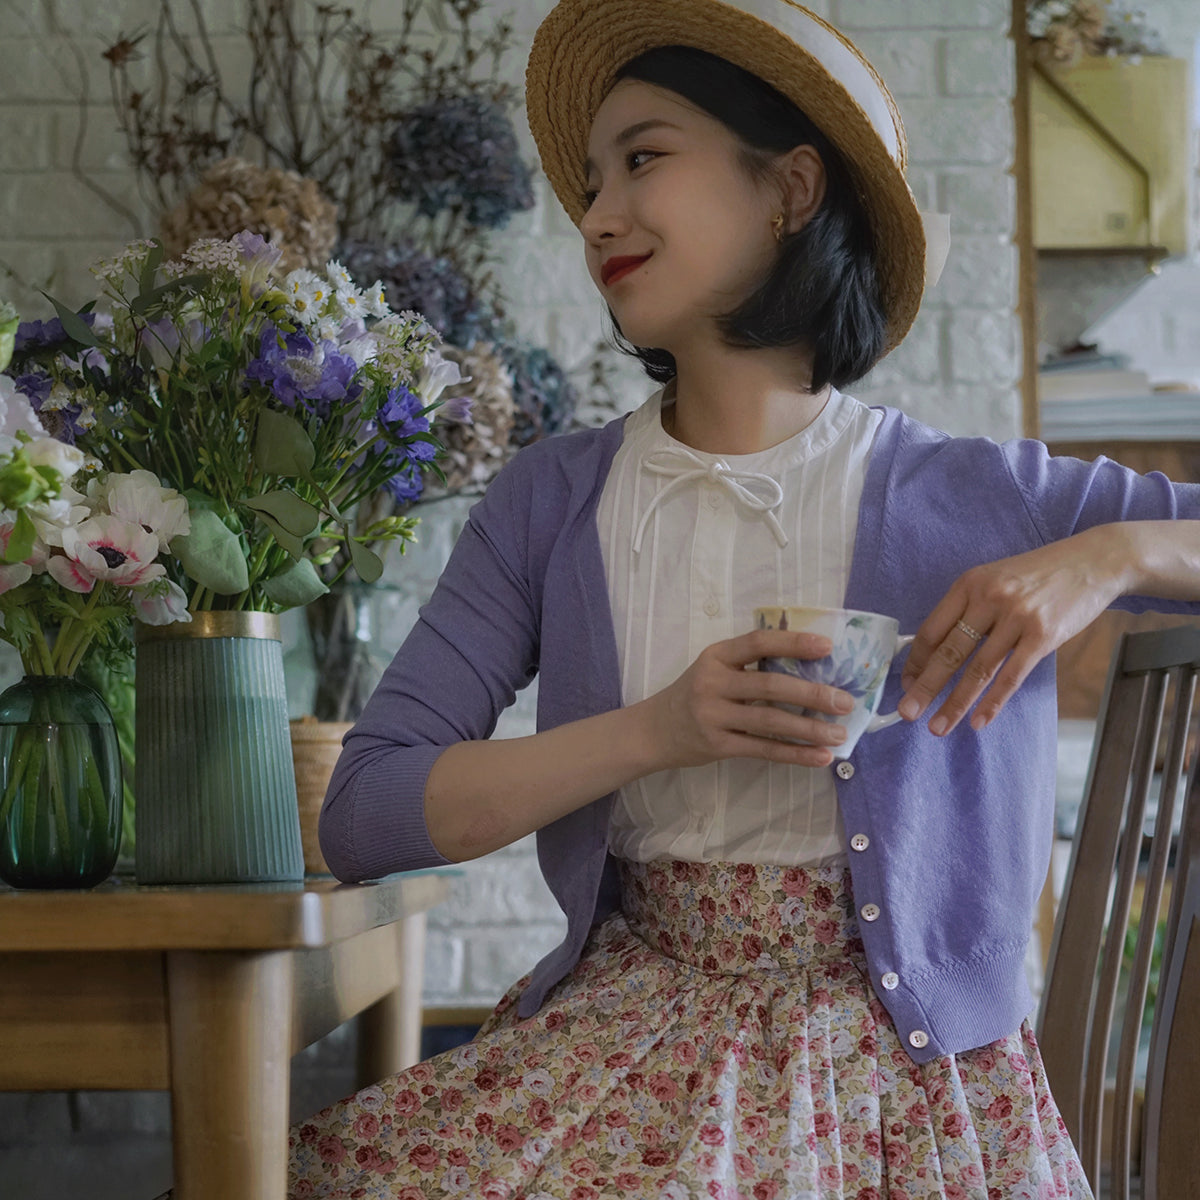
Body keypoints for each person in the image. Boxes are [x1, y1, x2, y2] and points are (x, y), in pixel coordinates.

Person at [291, 1, 1200, 1196]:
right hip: (622, 1042)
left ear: (791, 188)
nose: (598, 213)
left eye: (644, 159)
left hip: (914, 1089)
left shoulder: (986, 495)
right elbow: (365, 813)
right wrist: (656, 730)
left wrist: (1112, 557)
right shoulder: (547, 502)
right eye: (590, 183)